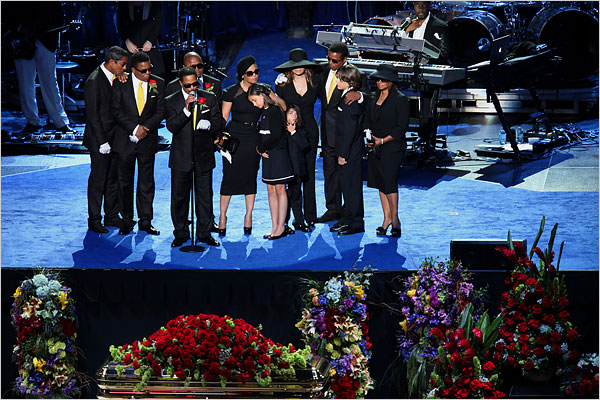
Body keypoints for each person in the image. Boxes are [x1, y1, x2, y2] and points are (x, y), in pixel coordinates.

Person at [219, 55, 285, 236]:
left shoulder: (263, 90)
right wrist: (218, 138)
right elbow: (224, 118)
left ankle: (248, 216)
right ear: (242, 75)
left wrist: (274, 96)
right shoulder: (232, 92)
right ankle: (223, 217)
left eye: (256, 71)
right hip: (234, 138)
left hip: (254, 138)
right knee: (229, 176)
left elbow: (282, 106)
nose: (255, 75)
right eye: (250, 73)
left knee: (250, 176)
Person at [166, 66, 224, 248]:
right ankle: (181, 233)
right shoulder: (172, 101)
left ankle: (204, 233)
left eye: (195, 84)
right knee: (180, 197)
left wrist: (211, 123)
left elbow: (220, 121)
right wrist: (186, 111)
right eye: (188, 85)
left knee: (204, 197)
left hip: (203, 155)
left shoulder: (210, 98)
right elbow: (171, 127)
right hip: (181, 156)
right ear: (181, 84)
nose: (192, 89)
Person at [111, 51, 165, 235]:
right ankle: (127, 219)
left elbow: (160, 111)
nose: (147, 74)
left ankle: (145, 221)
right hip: (125, 140)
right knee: (124, 182)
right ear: (133, 70)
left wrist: (145, 128)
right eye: (143, 71)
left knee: (146, 182)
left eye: (150, 69)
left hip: (147, 141)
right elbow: (116, 111)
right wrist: (134, 129)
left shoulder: (158, 83)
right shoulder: (120, 82)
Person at [5, 1, 77, 136]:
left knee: (48, 81)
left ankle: (59, 122)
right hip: (23, 38)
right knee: (26, 83)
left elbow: (56, 12)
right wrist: (19, 29)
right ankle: (36, 121)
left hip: (44, 38)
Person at [315, 42, 367, 224]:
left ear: (345, 59)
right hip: (328, 134)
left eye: (335, 61)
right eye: (329, 59)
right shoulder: (321, 70)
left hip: (345, 136)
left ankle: (349, 213)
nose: (331, 63)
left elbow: (370, 95)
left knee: (348, 178)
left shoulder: (354, 76)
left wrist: (360, 96)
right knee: (330, 173)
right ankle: (333, 209)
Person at [83, 46, 129, 234]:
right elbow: (93, 116)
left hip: (114, 137)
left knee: (112, 179)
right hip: (99, 140)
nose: (125, 68)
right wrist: (102, 142)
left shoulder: (115, 77)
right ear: (112, 62)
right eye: (123, 65)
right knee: (98, 180)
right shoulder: (94, 81)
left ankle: (111, 215)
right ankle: (94, 219)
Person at [274, 48, 319, 229]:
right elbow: (280, 108)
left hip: (310, 131)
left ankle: (310, 216)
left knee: (309, 174)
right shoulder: (282, 84)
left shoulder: (316, 80)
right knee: (292, 175)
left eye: (301, 65)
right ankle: (291, 216)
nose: (298, 69)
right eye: (294, 66)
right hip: (291, 132)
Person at [363, 63, 409, 237]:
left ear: (391, 81)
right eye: (378, 79)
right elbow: (367, 119)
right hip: (375, 145)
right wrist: (369, 138)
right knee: (380, 182)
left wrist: (383, 140)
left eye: (383, 79)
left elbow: (402, 127)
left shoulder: (400, 99)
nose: (379, 82)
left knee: (389, 181)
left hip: (393, 146)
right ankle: (386, 219)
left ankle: (396, 219)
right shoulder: (372, 97)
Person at [401, 1, 450, 158]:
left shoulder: (440, 26)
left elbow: (444, 53)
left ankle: (428, 142)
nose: (420, 9)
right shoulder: (407, 23)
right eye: (417, 5)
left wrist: (427, 60)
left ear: (429, 6)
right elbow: (397, 44)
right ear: (413, 6)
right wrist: (407, 31)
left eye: (423, 5)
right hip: (408, 69)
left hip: (428, 70)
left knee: (428, 103)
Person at [249, 83, 294, 240]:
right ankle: (274, 224)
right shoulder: (263, 112)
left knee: (280, 189)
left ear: (263, 96)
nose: (255, 104)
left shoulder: (274, 111)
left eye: (255, 100)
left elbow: (276, 135)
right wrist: (260, 148)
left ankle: (281, 225)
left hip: (277, 154)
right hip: (268, 154)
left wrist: (262, 147)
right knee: (270, 189)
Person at [329, 65, 365, 236]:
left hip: (350, 152)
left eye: (340, 79)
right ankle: (348, 219)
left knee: (352, 188)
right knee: (346, 186)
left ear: (349, 82)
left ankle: (356, 222)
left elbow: (350, 130)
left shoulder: (350, 101)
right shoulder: (346, 97)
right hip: (348, 150)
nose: (337, 81)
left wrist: (343, 154)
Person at [117, 1, 165, 76]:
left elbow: (159, 21)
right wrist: (127, 41)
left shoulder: (155, 3)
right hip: (130, 45)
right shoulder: (124, 3)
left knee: (153, 75)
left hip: (149, 45)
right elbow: (120, 23)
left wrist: (150, 41)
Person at [284, 105, 311, 233]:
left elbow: (304, 145)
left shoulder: (301, 131)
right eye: (290, 113)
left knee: (296, 195)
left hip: (297, 170)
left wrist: (293, 132)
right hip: (284, 169)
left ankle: (299, 221)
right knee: (285, 197)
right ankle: (283, 222)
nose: (293, 116)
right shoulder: (281, 131)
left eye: (295, 114)